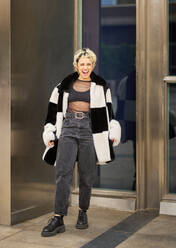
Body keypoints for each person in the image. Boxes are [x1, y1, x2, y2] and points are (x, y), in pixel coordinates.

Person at [41, 48, 121, 237]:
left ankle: (82, 213)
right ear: (76, 65)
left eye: (89, 64)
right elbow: (52, 112)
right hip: (67, 127)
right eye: (82, 64)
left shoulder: (102, 86)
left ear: (93, 65)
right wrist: (50, 133)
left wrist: (112, 132)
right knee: (63, 174)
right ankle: (58, 217)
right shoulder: (63, 85)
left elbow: (109, 112)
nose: (85, 67)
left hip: (89, 130)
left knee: (87, 175)